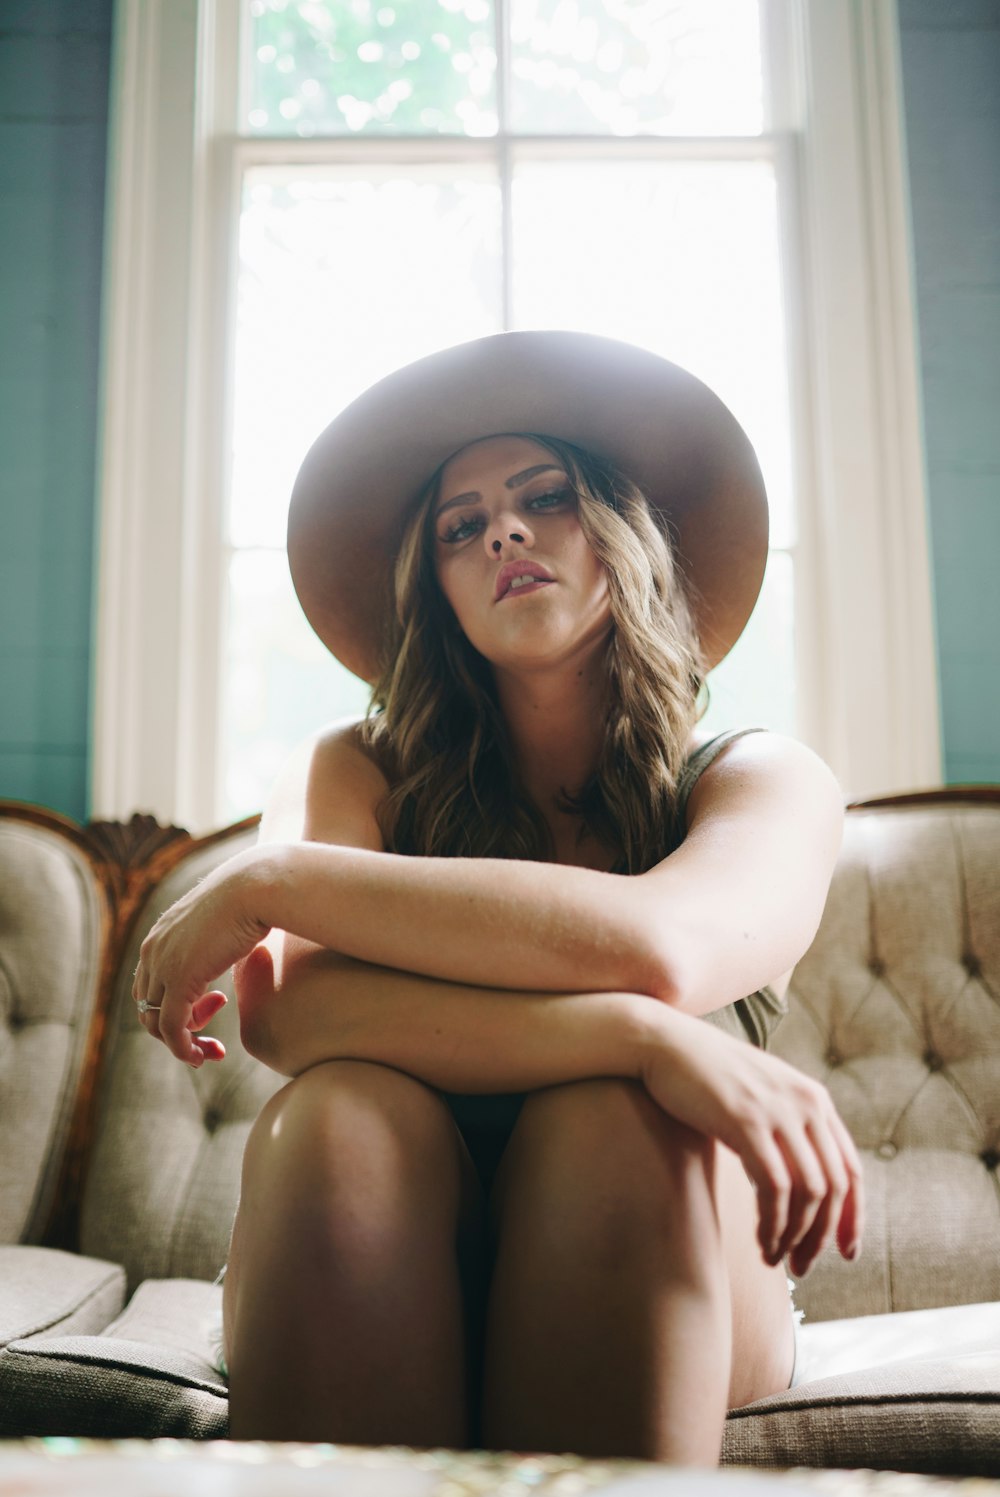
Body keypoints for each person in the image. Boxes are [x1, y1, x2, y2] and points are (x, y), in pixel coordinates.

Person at [132, 331, 861, 1464]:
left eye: (544, 498)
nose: (503, 534)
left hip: (665, 1235)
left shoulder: (761, 779)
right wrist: (635, 1037)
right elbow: (289, 1012)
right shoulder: (356, 766)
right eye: (459, 528)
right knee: (335, 1118)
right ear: (436, 590)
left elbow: (660, 951)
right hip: (387, 1239)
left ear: (623, 533)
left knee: (614, 1122)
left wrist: (278, 881)